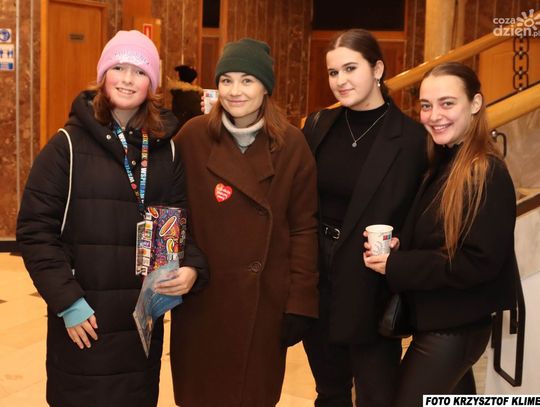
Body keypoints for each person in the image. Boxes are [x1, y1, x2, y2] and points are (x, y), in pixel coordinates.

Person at [16, 30, 208, 407]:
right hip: (85, 322)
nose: (127, 79)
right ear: (103, 76)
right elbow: (35, 231)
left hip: (141, 326)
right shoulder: (66, 146)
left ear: (152, 84)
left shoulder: (166, 151)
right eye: (118, 68)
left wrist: (191, 268)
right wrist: (68, 302)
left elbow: (177, 228)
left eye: (139, 71)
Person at [170, 38, 319, 407]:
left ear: (266, 86)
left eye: (247, 80)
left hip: (263, 303)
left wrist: (300, 302)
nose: (235, 91)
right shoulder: (192, 137)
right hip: (203, 299)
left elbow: (303, 228)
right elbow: (173, 211)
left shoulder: (292, 145)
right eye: (227, 80)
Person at [363, 62, 519, 406]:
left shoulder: (485, 172)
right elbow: (441, 237)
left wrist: (397, 265)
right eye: (426, 105)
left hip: (454, 329)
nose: (434, 116)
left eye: (447, 103)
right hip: (441, 322)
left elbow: (477, 262)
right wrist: (402, 246)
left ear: (475, 104)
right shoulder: (445, 160)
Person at [301, 28, 427, 407]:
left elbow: (422, 209)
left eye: (350, 68)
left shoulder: (411, 138)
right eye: (333, 72)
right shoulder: (318, 125)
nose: (340, 80)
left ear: (378, 69)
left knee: (376, 393)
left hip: (370, 279)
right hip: (319, 275)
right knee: (329, 390)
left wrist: (404, 243)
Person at [169, 64, 203, 129]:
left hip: (178, 128)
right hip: (189, 129)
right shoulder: (192, 96)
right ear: (192, 79)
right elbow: (199, 116)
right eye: (195, 78)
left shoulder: (178, 92)